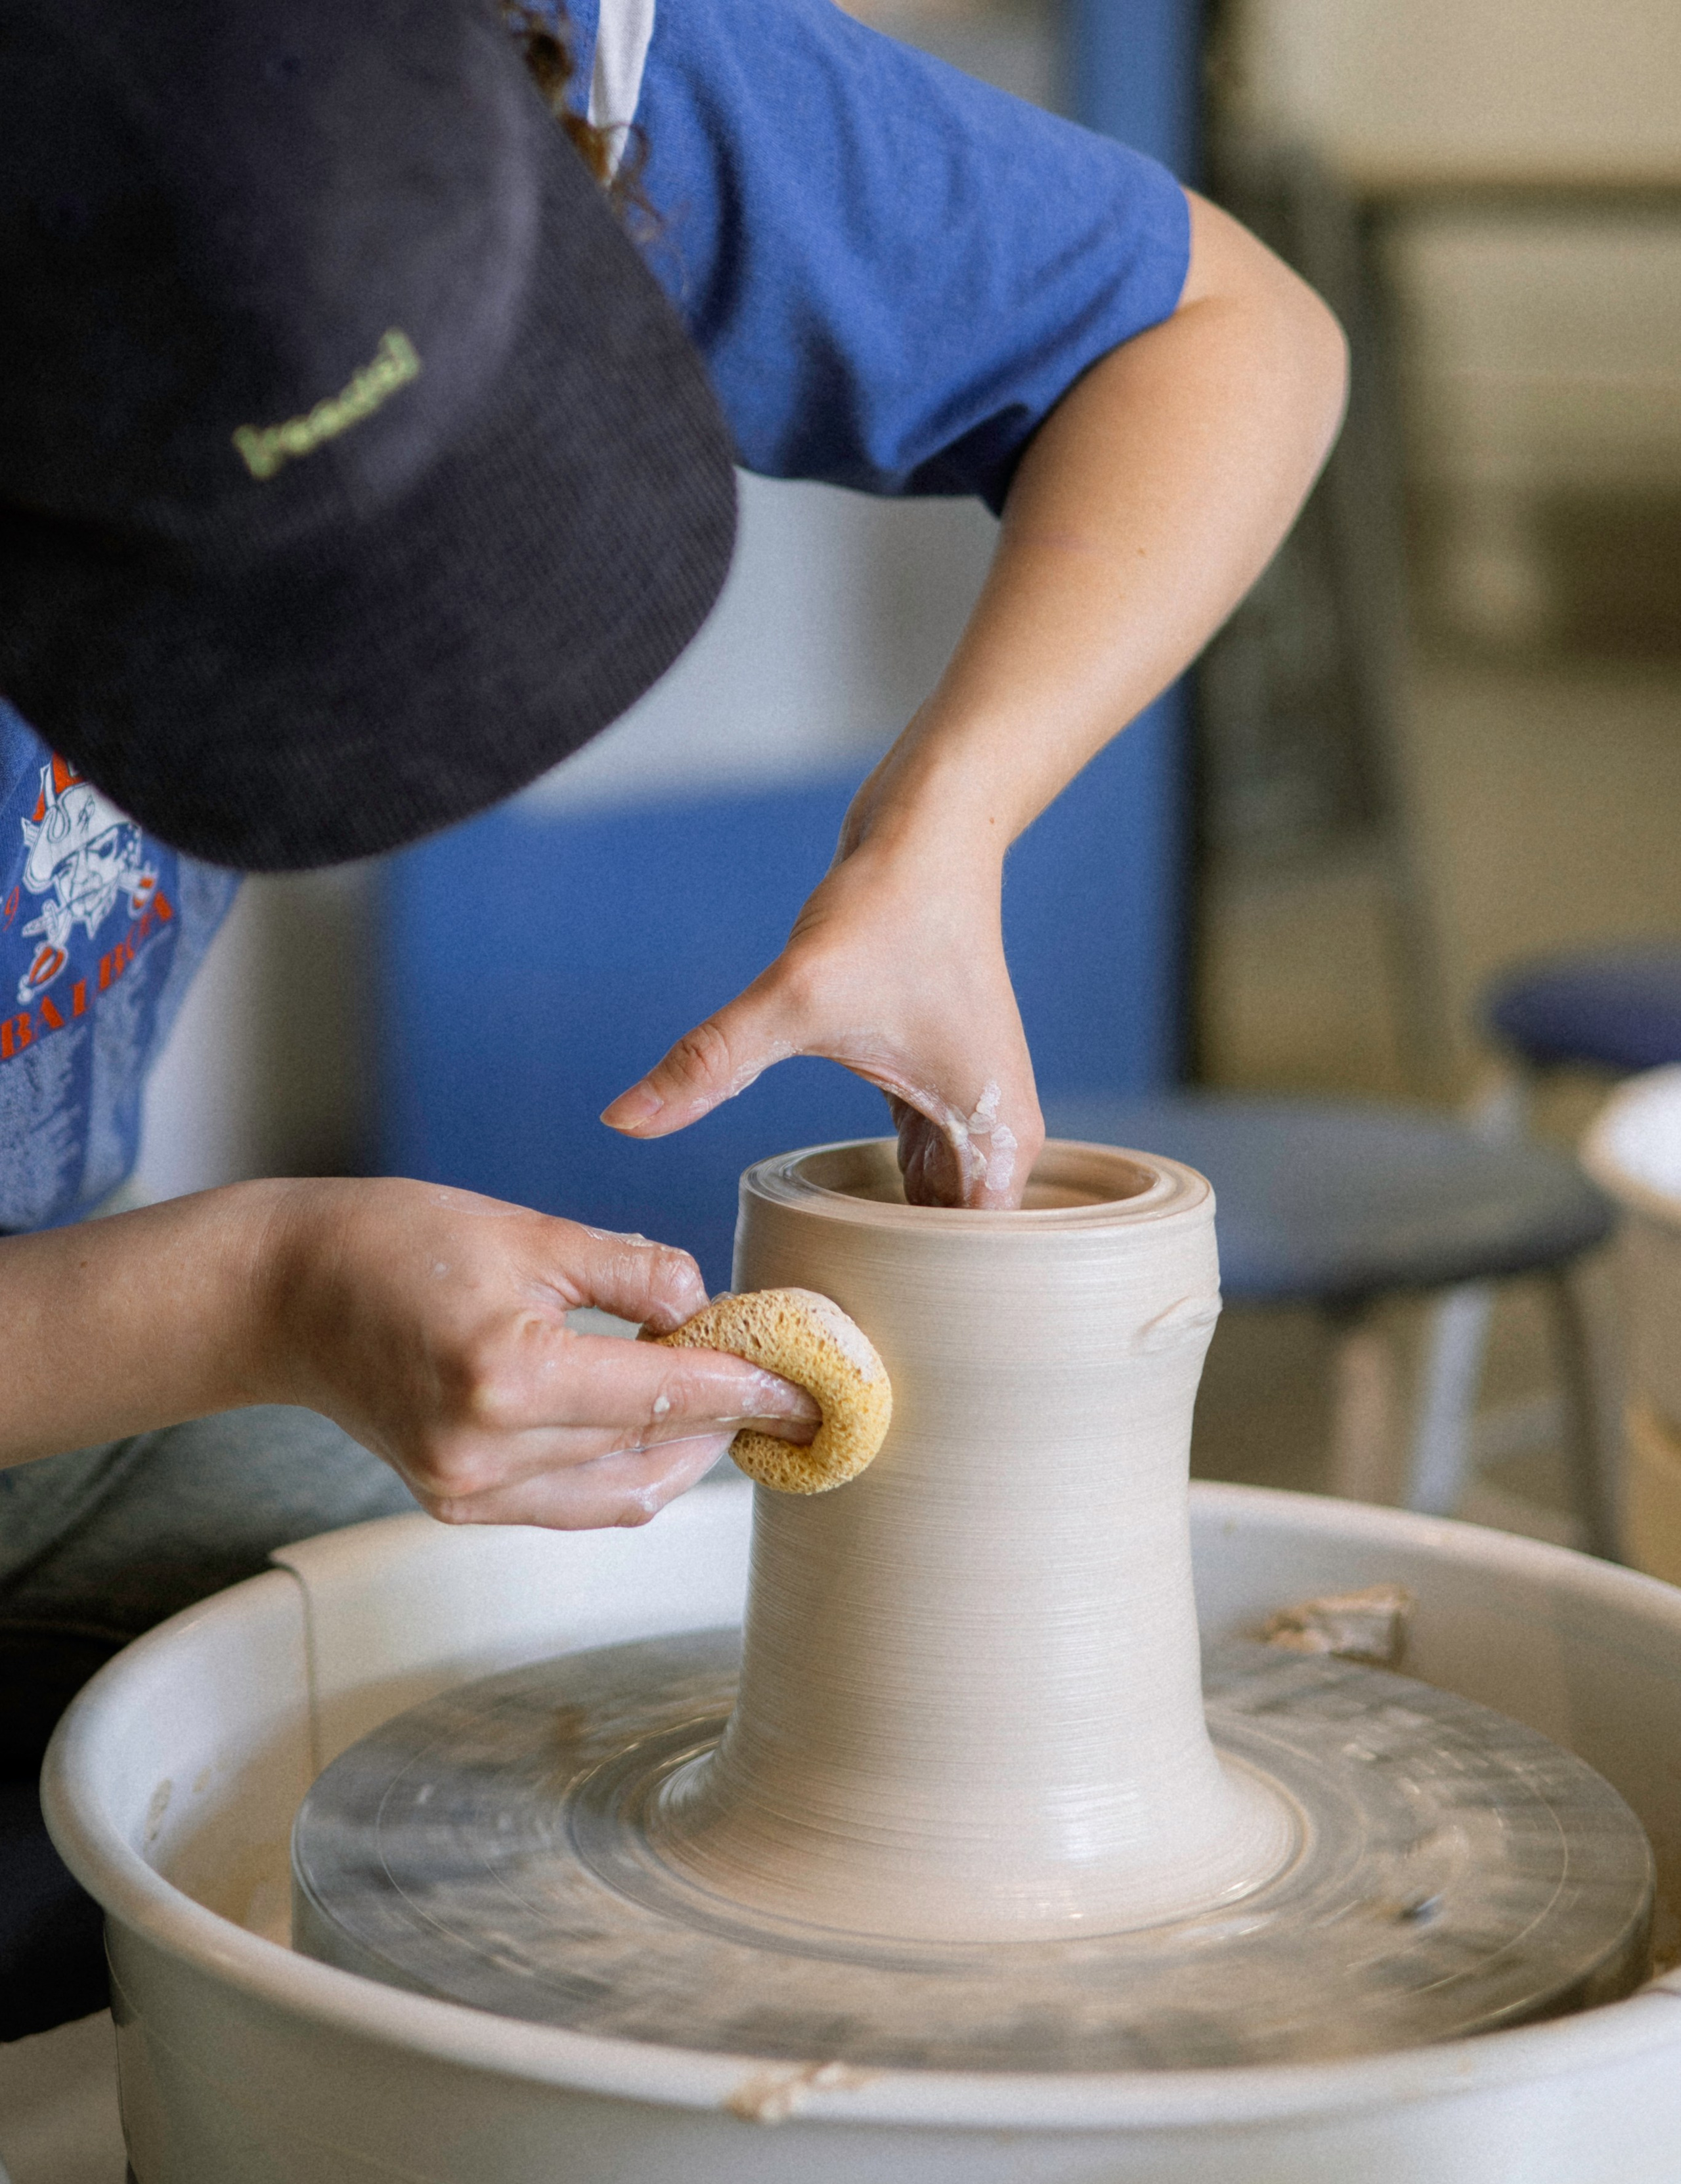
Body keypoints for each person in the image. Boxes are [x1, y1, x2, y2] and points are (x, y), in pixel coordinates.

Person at [0, 0, 1343, 1982]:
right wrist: (259, 1290)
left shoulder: (417, 73)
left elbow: (1225, 340)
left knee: (535, 1663)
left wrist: (940, 835)